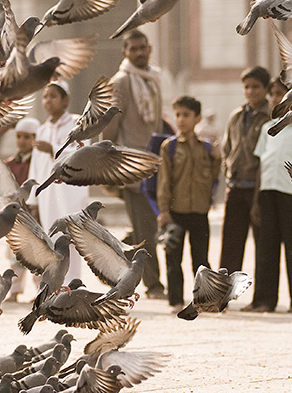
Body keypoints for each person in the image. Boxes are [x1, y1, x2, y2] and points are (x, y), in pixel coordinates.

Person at [243, 78, 292, 313]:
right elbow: (261, 166)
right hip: (268, 194)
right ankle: (264, 300)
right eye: (273, 94)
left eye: (282, 93)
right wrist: (256, 201)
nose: (276, 98)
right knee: (266, 249)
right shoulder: (268, 129)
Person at [102, 29, 166, 299]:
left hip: (153, 164)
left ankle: (120, 248)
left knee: (147, 225)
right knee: (146, 229)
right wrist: (108, 167)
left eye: (143, 48)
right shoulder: (120, 82)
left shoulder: (153, 78)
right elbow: (109, 128)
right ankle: (154, 285)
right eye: (134, 49)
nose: (139, 53)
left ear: (149, 48)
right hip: (131, 166)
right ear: (125, 53)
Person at [156, 96, 222, 310]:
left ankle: (204, 299)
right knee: (174, 259)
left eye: (186, 115)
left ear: (198, 118)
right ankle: (175, 300)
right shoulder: (170, 147)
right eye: (178, 115)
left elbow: (213, 178)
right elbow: (164, 182)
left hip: (199, 211)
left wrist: (217, 158)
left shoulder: (205, 148)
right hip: (176, 211)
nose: (181, 120)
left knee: (201, 259)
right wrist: (163, 210)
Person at [27, 81, 89, 283]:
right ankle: (53, 286)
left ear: (65, 100)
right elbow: (35, 167)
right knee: (51, 239)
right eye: (45, 97)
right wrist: (33, 199)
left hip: (70, 192)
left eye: (53, 96)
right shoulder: (43, 130)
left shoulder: (77, 124)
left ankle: (73, 284)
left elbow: (81, 153)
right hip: (47, 195)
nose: (48, 101)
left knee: (71, 240)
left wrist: (53, 149)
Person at [219, 67, 271, 274]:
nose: (251, 91)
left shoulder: (270, 118)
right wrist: (228, 173)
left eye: (256, 87)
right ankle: (224, 292)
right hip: (236, 186)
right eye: (247, 87)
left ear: (266, 89)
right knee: (230, 244)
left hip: (258, 189)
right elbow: (226, 149)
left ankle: (260, 297)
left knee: (262, 244)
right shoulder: (237, 116)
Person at [4, 117, 39, 302]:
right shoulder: (10, 163)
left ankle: (41, 291)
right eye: (19, 136)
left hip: (34, 217)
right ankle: (15, 290)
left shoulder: (39, 162)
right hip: (15, 217)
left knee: (37, 256)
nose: (22, 141)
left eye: (27, 137)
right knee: (16, 254)